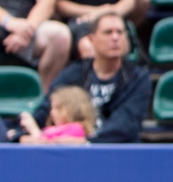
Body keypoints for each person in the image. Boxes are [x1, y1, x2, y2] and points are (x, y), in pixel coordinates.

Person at [23, 13, 148, 144]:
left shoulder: (138, 77)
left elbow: (126, 124)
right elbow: (46, 109)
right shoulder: (73, 73)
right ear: (92, 39)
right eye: (108, 32)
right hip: (72, 154)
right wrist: (22, 135)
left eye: (120, 32)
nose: (115, 37)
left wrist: (87, 142)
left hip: (118, 152)